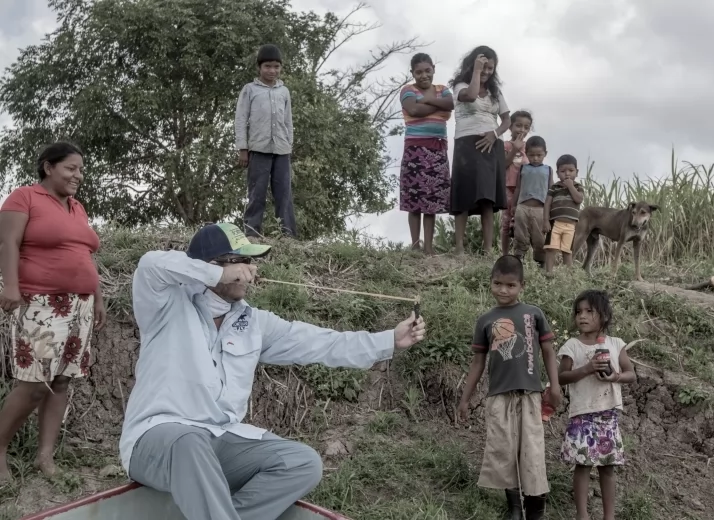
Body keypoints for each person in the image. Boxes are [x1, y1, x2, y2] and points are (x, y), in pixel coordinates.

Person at [119, 222, 426, 520]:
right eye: (241, 261)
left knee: (302, 463)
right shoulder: (164, 303)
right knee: (189, 441)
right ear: (214, 265)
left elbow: (320, 342)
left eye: (250, 262)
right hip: (156, 440)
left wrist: (389, 340)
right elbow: (150, 264)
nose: (250, 271)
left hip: (219, 441)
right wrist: (218, 274)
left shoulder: (254, 322)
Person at [0, 141, 106, 481]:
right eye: (71, 168)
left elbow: (84, 254)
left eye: (81, 170)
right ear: (48, 167)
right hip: (42, 304)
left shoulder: (78, 208)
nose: (78, 175)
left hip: (81, 306)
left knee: (61, 381)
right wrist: (10, 286)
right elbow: (8, 243)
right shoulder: (24, 197)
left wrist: (98, 296)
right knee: (34, 383)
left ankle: (44, 458)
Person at [457, 255, 562, 520]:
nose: (503, 290)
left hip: (529, 394)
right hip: (499, 397)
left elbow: (548, 351)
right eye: (498, 283)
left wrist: (555, 385)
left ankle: (536, 509)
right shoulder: (485, 320)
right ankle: (514, 508)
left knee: (532, 450)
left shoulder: (533, 313)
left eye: (510, 285)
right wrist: (465, 399)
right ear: (490, 283)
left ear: (522, 286)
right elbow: (478, 362)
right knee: (505, 451)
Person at [557, 290, 636, 520]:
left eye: (589, 311)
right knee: (582, 465)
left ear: (604, 315)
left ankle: (608, 516)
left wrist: (615, 377)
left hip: (608, 415)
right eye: (579, 312)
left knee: (607, 466)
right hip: (582, 414)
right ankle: (582, 516)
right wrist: (587, 369)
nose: (582, 316)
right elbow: (561, 377)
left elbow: (631, 374)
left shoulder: (614, 344)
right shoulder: (572, 345)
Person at [449, 46, 511, 255]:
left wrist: (494, 134)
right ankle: (459, 248)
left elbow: (507, 120)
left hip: (492, 144)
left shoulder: (495, 92)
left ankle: (488, 249)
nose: (486, 72)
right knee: (463, 194)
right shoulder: (460, 86)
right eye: (483, 67)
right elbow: (472, 95)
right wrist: (476, 71)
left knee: (487, 197)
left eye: (490, 68)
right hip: (467, 144)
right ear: (472, 65)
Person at [235, 43, 297, 238]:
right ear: (259, 68)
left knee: (284, 194)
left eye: (276, 67)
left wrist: (289, 145)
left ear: (281, 68)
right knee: (257, 193)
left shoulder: (283, 91)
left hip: (281, 150)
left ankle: (288, 235)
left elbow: (288, 120)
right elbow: (240, 119)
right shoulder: (250, 90)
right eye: (268, 66)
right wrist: (242, 148)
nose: (272, 71)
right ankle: (252, 233)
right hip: (258, 148)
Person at [399, 53, 454, 255]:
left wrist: (427, 101)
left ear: (433, 69)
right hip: (415, 150)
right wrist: (435, 103)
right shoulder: (407, 90)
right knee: (414, 200)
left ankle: (428, 249)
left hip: (438, 150)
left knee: (431, 203)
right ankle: (415, 245)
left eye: (427, 70)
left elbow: (450, 104)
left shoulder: (443, 90)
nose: (423, 75)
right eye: (419, 72)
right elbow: (413, 109)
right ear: (412, 73)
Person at [511, 136, 552, 267]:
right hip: (522, 208)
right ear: (526, 153)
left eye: (539, 155)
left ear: (545, 153)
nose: (535, 158)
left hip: (541, 210)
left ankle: (541, 266)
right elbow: (518, 188)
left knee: (540, 239)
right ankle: (518, 263)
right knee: (520, 237)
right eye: (531, 155)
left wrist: (551, 211)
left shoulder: (548, 170)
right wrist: (513, 205)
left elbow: (551, 191)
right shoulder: (523, 168)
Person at [543, 154, 584, 274]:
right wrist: (545, 221)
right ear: (557, 173)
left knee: (567, 251)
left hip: (571, 226)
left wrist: (571, 186)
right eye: (563, 171)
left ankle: (567, 277)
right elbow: (547, 204)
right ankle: (549, 273)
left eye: (571, 170)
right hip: (555, 223)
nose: (567, 174)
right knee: (551, 249)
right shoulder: (554, 188)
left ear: (577, 172)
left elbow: (579, 199)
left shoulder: (578, 187)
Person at [502, 111, 532, 255]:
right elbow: (504, 164)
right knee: (507, 222)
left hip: (525, 190)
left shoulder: (530, 147)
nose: (522, 130)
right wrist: (515, 148)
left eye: (526, 127)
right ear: (510, 127)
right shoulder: (506, 145)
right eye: (518, 126)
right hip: (509, 187)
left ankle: (520, 254)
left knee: (522, 222)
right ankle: (505, 254)